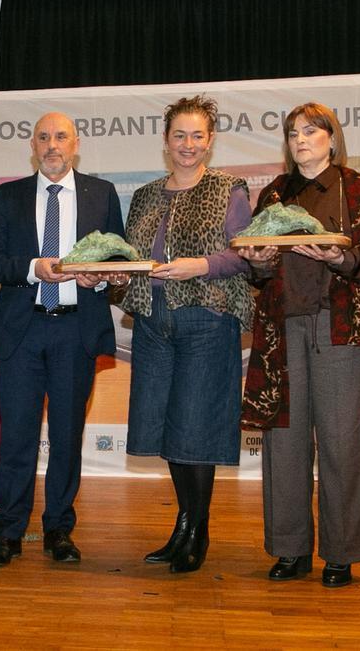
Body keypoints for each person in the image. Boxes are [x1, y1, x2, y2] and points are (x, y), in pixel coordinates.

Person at [239, 102, 360, 588]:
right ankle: (290, 550)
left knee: (341, 443)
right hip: (282, 330)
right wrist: (260, 262)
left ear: (331, 137)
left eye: (311, 131)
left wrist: (340, 257)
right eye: (292, 133)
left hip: (339, 330)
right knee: (283, 442)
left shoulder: (359, 188)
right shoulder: (273, 194)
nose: (300, 139)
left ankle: (341, 553)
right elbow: (256, 271)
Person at [0, 112, 124, 567]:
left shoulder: (102, 194)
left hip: (75, 330)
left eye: (60, 136)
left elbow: (117, 260)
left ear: (75, 143)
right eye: (43, 137)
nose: (52, 145)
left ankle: (59, 529)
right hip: (24, 329)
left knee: (66, 436)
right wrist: (32, 268)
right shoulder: (9, 195)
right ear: (33, 146)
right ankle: (9, 533)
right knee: (17, 438)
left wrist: (97, 280)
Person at [119, 95, 254, 573]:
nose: (188, 145)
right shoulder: (146, 195)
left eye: (198, 135)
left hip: (207, 318)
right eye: (180, 135)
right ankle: (184, 523)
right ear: (165, 140)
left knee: (195, 427)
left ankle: (198, 530)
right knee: (168, 428)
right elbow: (129, 256)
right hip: (153, 320)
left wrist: (204, 264)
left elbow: (246, 254)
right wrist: (117, 273)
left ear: (211, 141)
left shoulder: (228, 190)